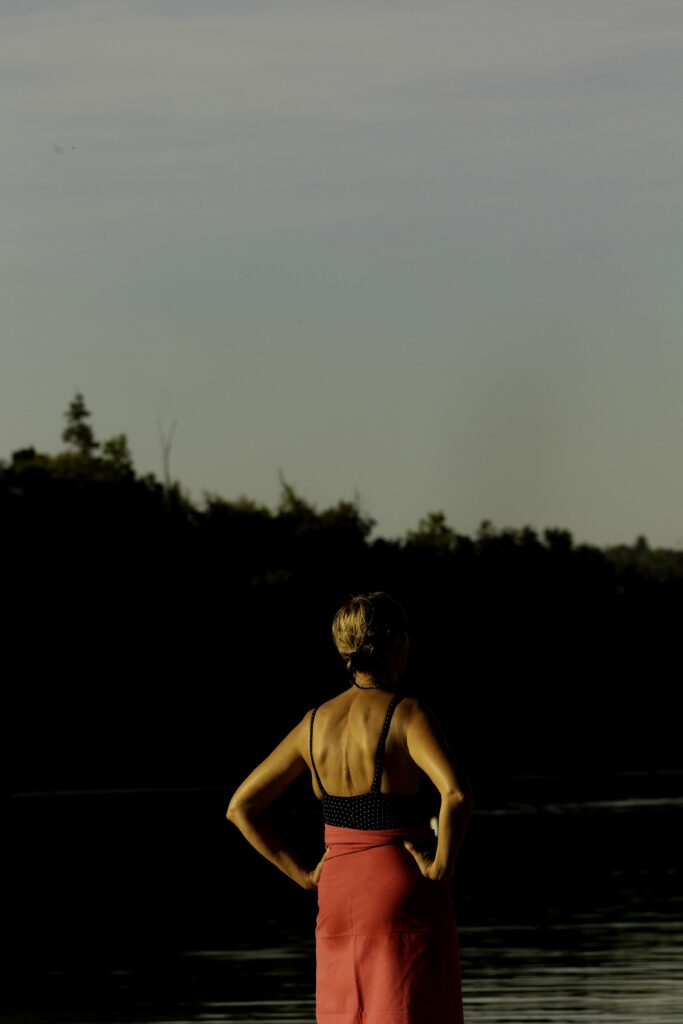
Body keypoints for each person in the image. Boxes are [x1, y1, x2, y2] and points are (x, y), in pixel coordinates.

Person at [227, 591, 473, 1024]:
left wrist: (304, 876)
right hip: (400, 883)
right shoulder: (406, 713)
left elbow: (241, 807)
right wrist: (441, 868)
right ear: (395, 640)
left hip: (337, 891)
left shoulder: (313, 722)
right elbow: (455, 795)